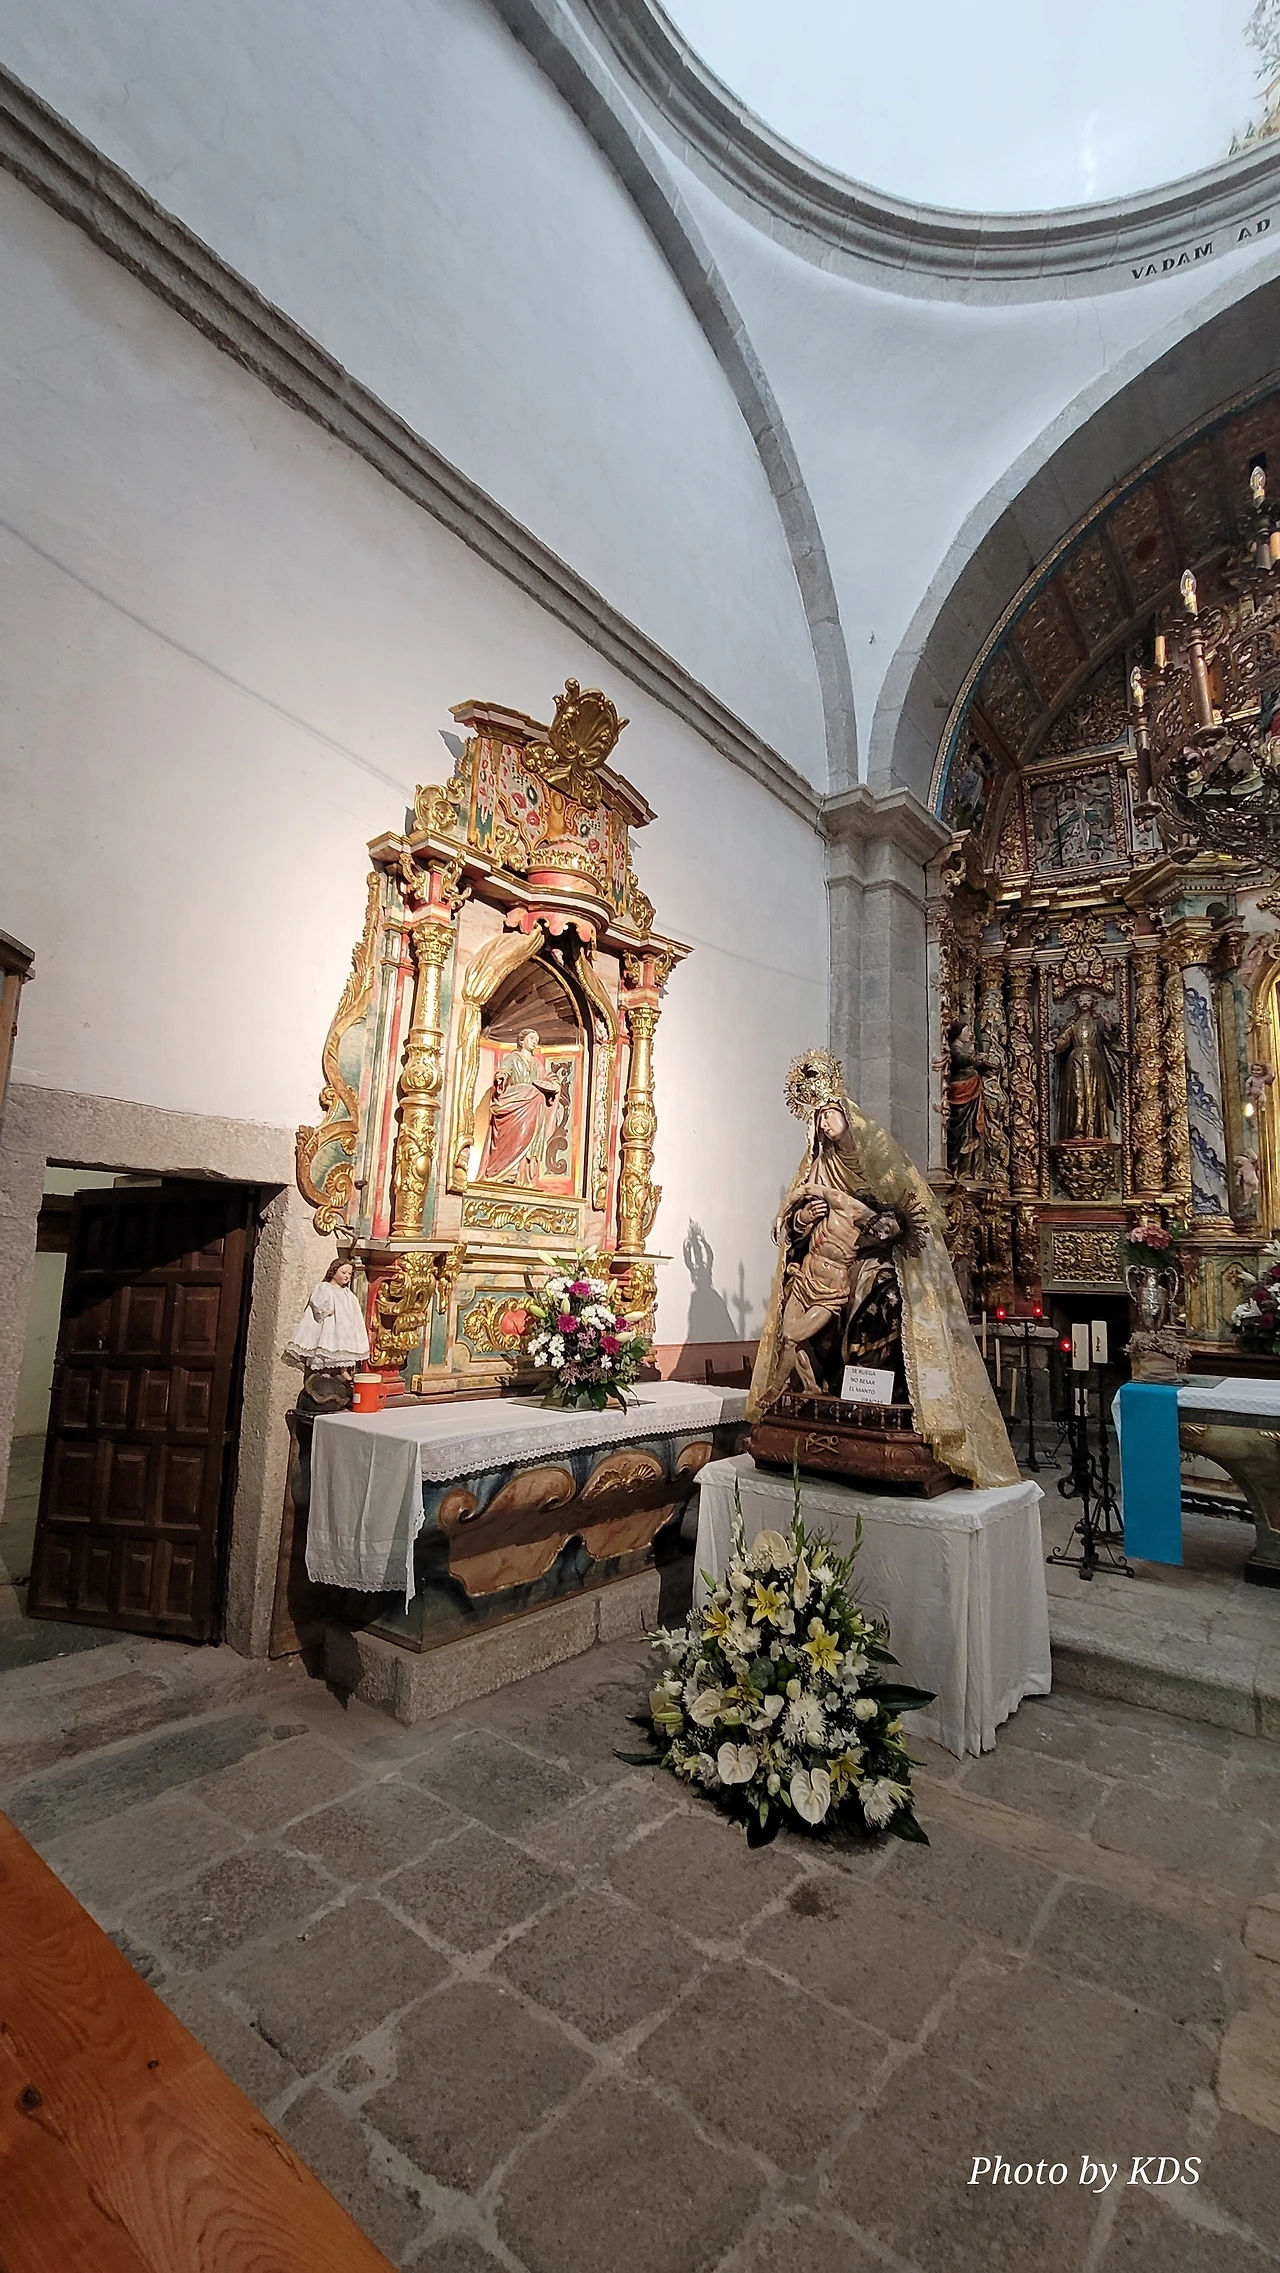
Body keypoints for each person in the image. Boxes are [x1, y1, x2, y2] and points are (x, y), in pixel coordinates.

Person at [749, 1052, 1019, 1488]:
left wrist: (886, 1229)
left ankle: (876, 1396)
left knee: (884, 1301)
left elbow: (906, 1211)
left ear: (846, 1113)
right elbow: (799, 1214)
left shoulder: (875, 1154)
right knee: (796, 1324)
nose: (824, 1124)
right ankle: (819, 1396)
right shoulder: (818, 1164)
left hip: (876, 1259)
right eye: (818, 1118)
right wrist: (799, 1220)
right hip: (823, 1265)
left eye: (830, 1114)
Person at [478, 1028, 561, 1183]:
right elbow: (504, 1070)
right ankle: (503, 1172)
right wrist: (501, 1077)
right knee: (512, 1139)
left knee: (528, 1135)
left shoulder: (537, 1063)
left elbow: (548, 1076)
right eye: (531, 1038)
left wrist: (555, 1083)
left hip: (533, 1107)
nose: (535, 1042)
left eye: (536, 1040)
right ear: (522, 1041)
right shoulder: (513, 1058)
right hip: (516, 1101)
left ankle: (521, 1174)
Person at [282, 1256, 370, 1376]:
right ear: (333, 1272)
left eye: (349, 1274)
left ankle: (343, 1370)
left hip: (344, 1327)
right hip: (329, 1324)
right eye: (343, 1273)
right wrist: (326, 1309)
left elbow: (354, 1312)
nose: (347, 1276)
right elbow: (318, 1302)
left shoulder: (348, 1294)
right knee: (327, 1344)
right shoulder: (325, 1287)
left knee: (343, 1347)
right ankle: (323, 1369)